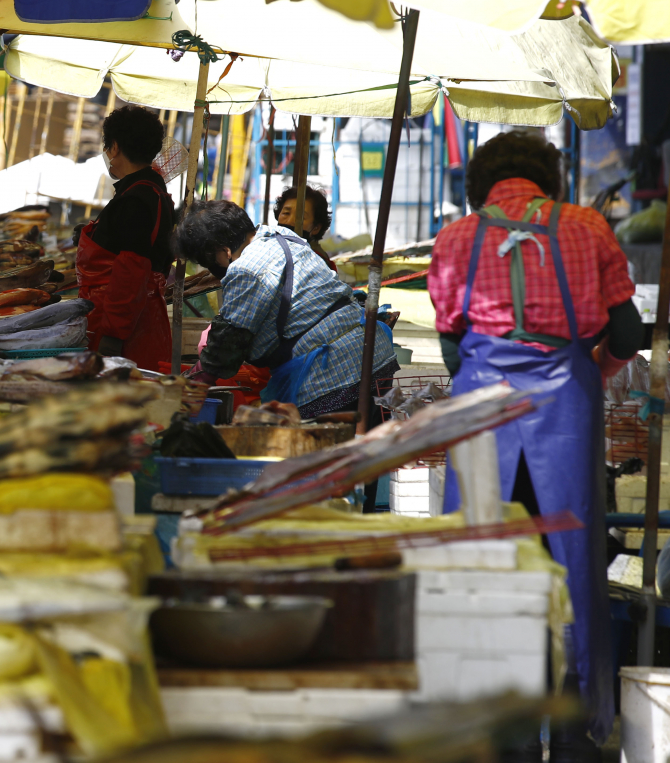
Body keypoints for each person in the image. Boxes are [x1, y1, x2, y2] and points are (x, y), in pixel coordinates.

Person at [429, 130, 642, 753]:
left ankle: (497, 731)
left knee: (483, 555)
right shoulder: (587, 226)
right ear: (550, 179)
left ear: (481, 187)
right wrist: (593, 366)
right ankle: (574, 733)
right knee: (570, 557)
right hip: (566, 405)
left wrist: (484, 370)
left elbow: (452, 348)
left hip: (481, 409)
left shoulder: (457, 237)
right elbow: (628, 332)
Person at [176, 200, 398, 417]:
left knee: (326, 440)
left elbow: (224, 350)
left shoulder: (246, 268)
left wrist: (191, 383)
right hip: (374, 356)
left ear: (223, 251)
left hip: (335, 374)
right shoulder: (282, 236)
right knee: (370, 438)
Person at [75, 106, 175, 370]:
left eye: (107, 146)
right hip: (138, 317)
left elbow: (131, 271)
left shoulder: (136, 199)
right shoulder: (153, 192)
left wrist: (112, 337)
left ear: (115, 147)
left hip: (122, 326)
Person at [274, 184, 336, 271]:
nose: (289, 221)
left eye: (300, 217)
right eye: (286, 213)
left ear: (316, 228)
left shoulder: (316, 263)